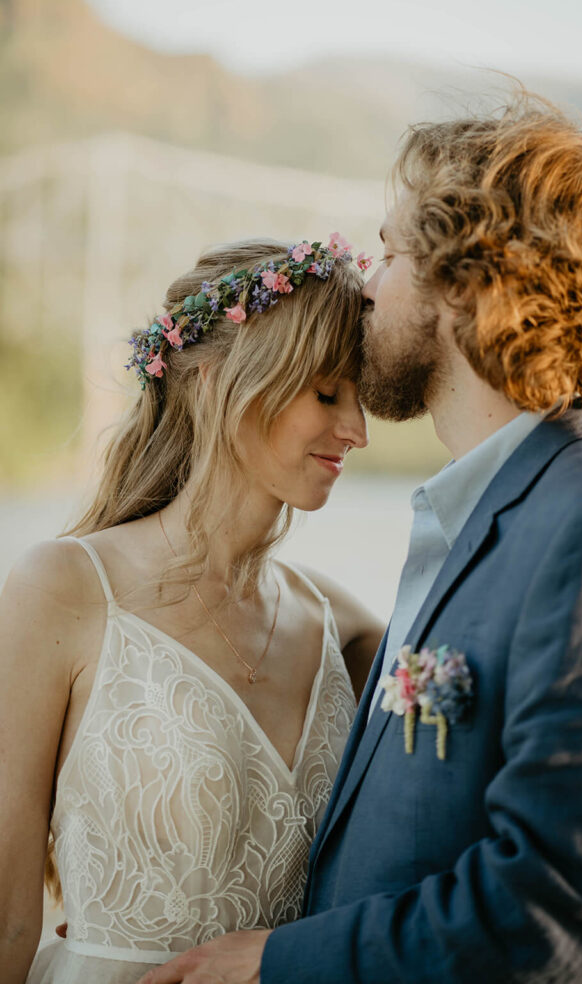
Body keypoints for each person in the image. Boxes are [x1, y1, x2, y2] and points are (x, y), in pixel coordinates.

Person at [138, 96, 582, 984]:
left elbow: (564, 911)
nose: (365, 284)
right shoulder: (482, 517)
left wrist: (274, 964)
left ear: (465, 280)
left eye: (389, 253)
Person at [0, 235, 384, 984]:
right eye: (327, 393)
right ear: (213, 382)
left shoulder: (343, 624)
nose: (358, 431)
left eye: (361, 396)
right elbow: (10, 905)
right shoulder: (64, 589)